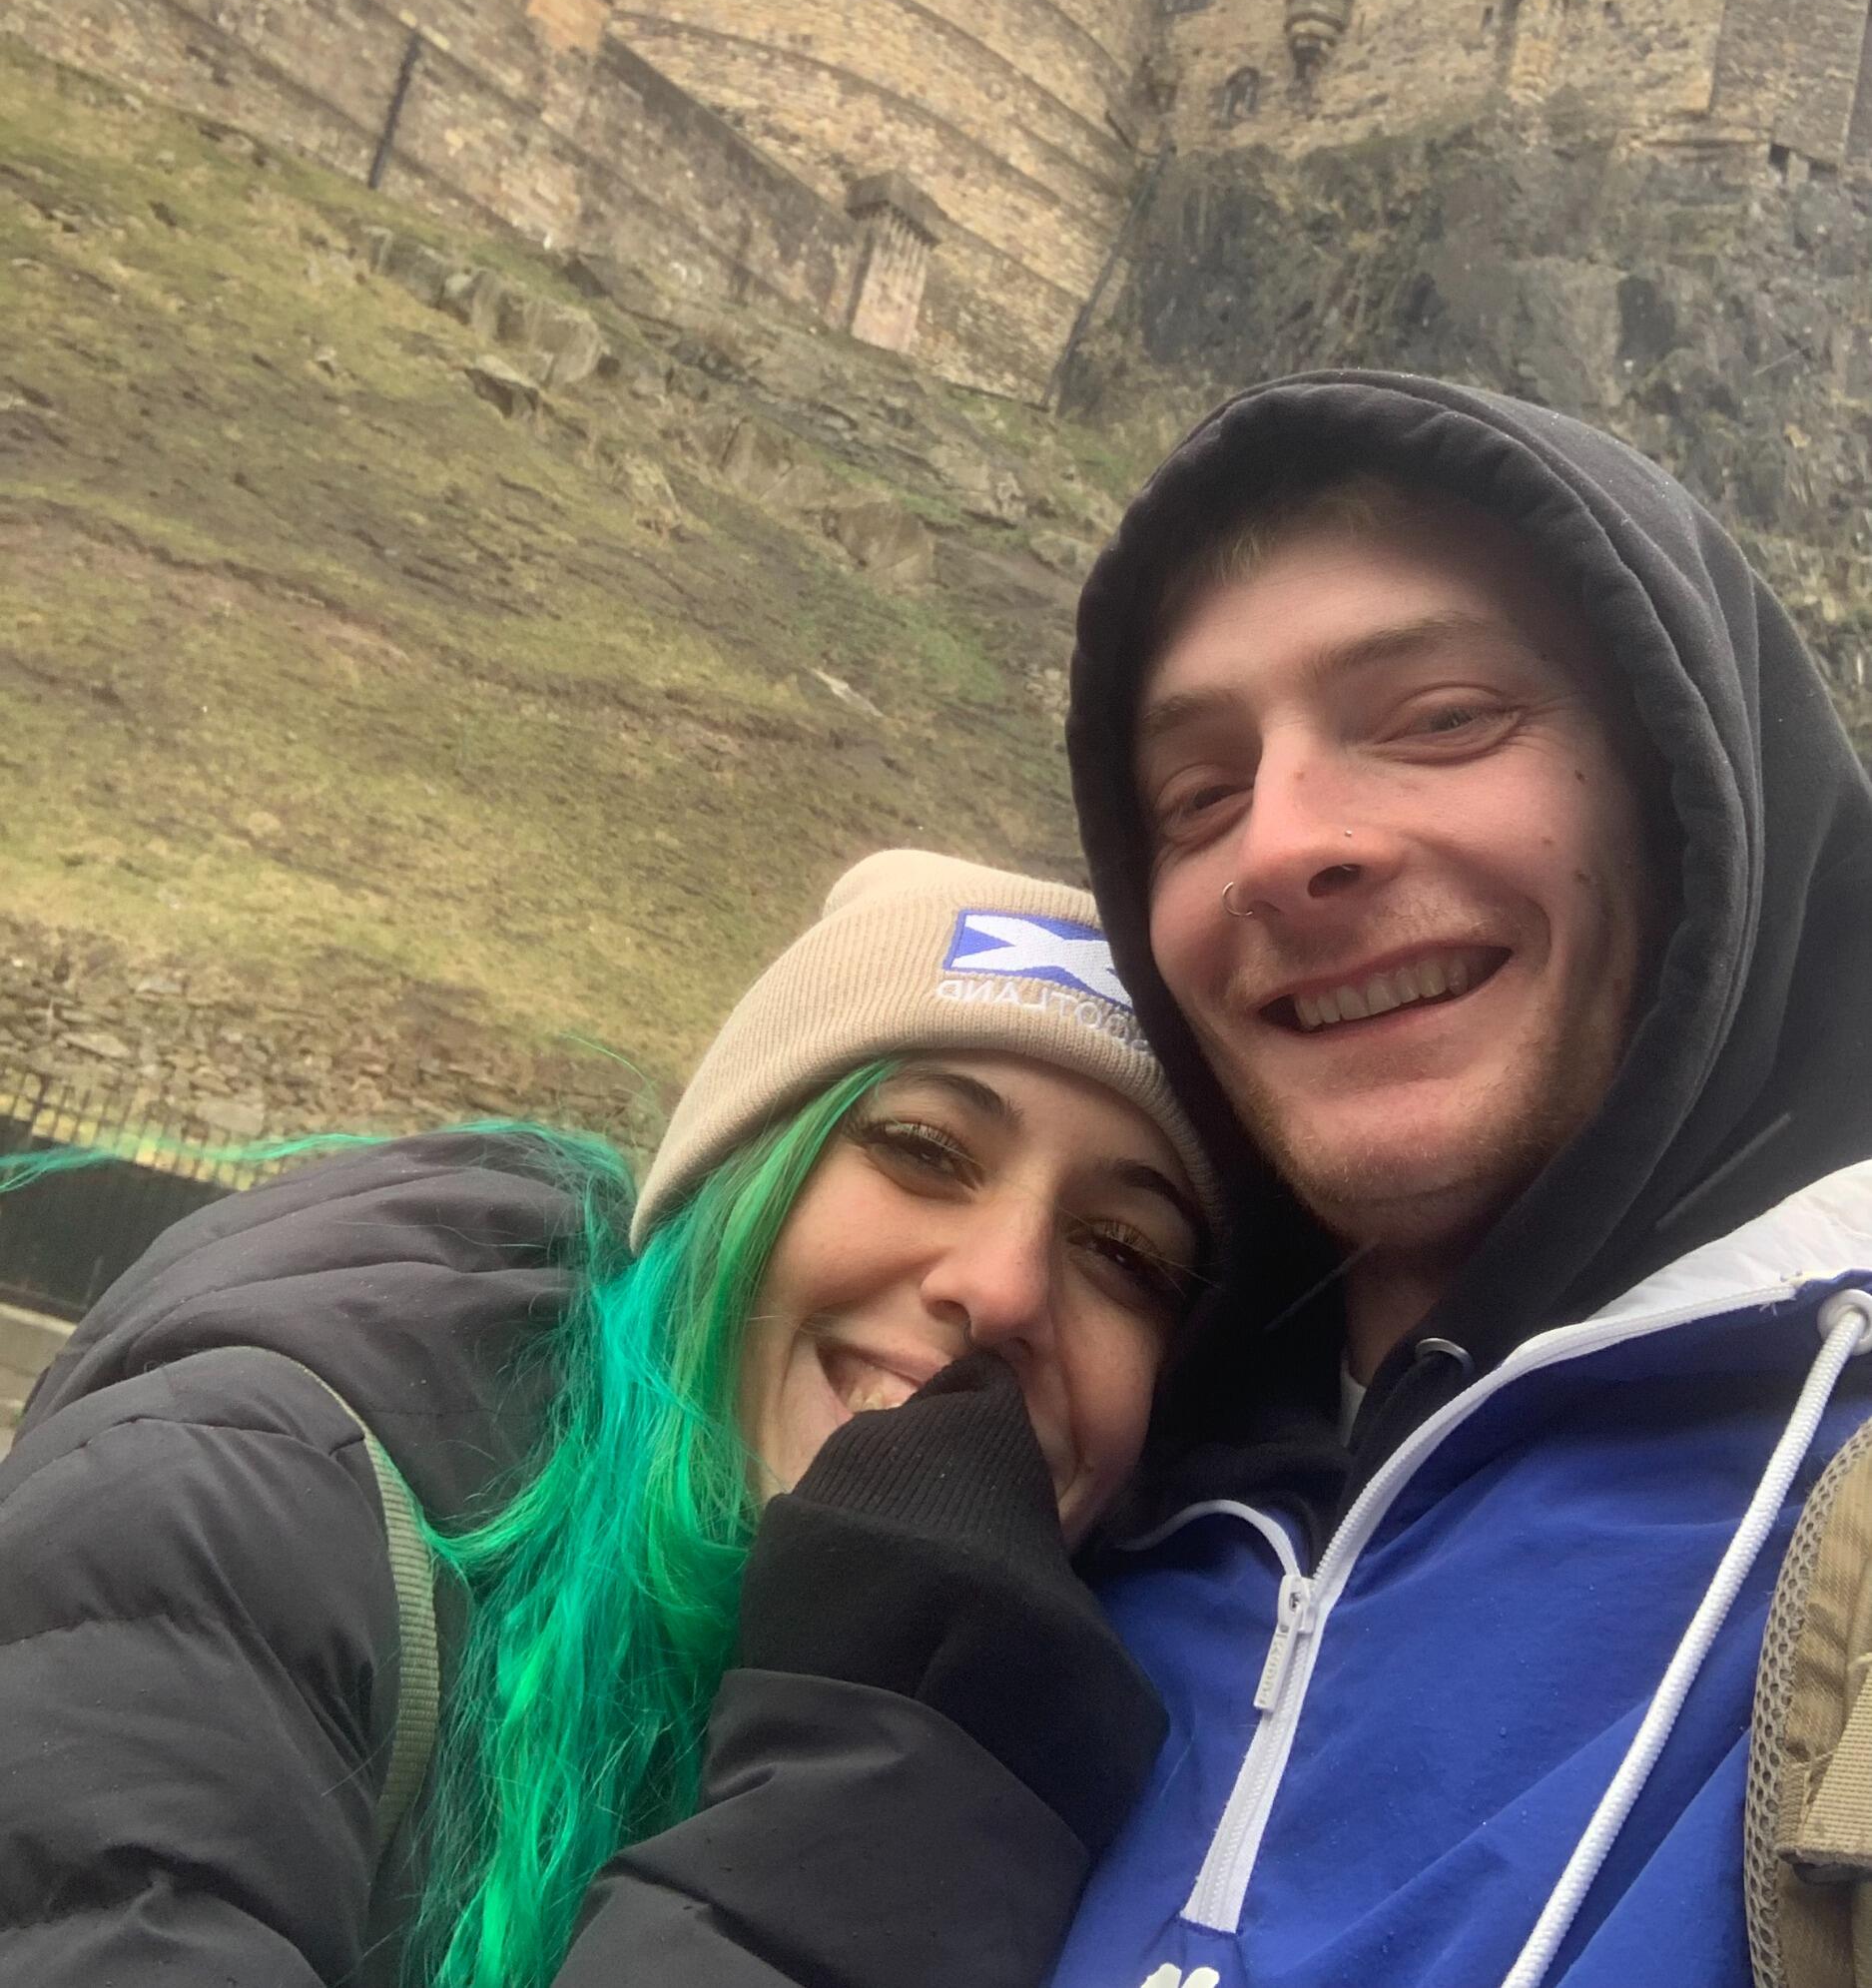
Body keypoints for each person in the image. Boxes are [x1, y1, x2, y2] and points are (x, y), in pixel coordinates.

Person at [0, 850, 1222, 1988]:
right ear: (731, 1184)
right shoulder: (233, 1517)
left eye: (1124, 1252)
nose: (1002, 1287)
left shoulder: (1113, 1755)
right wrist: (877, 1823)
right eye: (922, 1149)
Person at [1045, 370, 1872, 1988]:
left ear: (1688, 795)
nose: (1282, 845)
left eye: (1441, 720)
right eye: (1195, 799)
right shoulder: (1084, 1500)